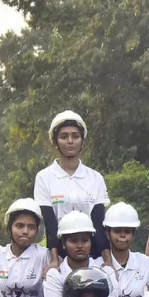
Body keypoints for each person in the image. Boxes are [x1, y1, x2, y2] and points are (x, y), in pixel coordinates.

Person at [34, 110, 111, 268]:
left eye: (75, 136)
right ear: (55, 142)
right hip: (60, 257)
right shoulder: (44, 177)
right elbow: (50, 223)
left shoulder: (95, 177)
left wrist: (107, 261)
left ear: (82, 141)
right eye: (64, 137)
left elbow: (98, 223)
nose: (70, 141)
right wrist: (54, 260)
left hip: (92, 258)